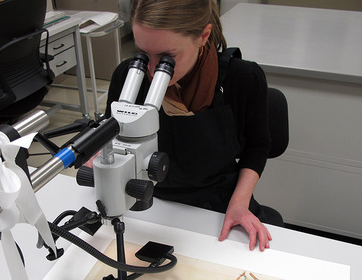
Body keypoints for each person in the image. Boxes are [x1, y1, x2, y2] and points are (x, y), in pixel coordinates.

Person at [103, 0, 272, 251]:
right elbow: (112, 142)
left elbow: (258, 146)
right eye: (144, 54)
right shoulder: (127, 78)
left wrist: (239, 203)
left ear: (203, 36)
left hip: (218, 205)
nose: (151, 70)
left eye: (166, 58)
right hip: (146, 203)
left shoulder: (242, 79)